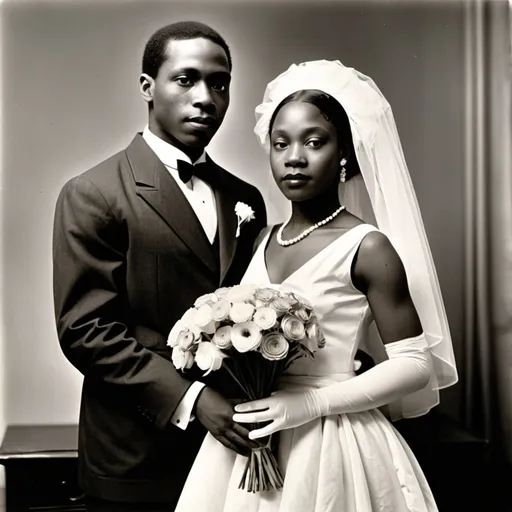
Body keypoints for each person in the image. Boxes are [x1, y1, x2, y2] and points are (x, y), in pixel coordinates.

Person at [174, 60, 458, 512]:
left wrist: (308, 407)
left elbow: (414, 365)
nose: (295, 157)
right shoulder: (261, 239)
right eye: (281, 143)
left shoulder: (368, 246)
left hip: (333, 440)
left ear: (343, 152)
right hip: (251, 440)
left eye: (314, 142)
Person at [52, 21, 266, 512]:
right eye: (186, 79)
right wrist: (191, 399)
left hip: (232, 448)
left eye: (220, 82)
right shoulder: (94, 194)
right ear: (148, 88)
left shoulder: (245, 198)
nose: (207, 97)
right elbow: (86, 330)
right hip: (136, 454)